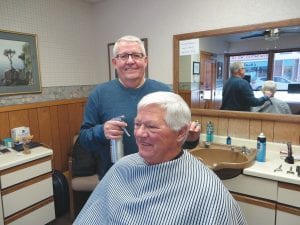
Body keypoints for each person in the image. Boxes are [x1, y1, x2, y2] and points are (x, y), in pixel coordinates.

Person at [74, 92, 246, 225]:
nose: (140, 134)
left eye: (151, 127)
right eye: (137, 124)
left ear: (180, 133)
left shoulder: (206, 190)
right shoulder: (123, 167)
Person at [79, 35, 200, 178]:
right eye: (123, 56)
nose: (130, 61)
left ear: (145, 60)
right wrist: (101, 131)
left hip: (159, 175)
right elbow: (84, 140)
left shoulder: (164, 92)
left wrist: (190, 139)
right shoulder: (99, 94)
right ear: (115, 62)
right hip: (116, 177)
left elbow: (174, 140)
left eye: (136, 55)